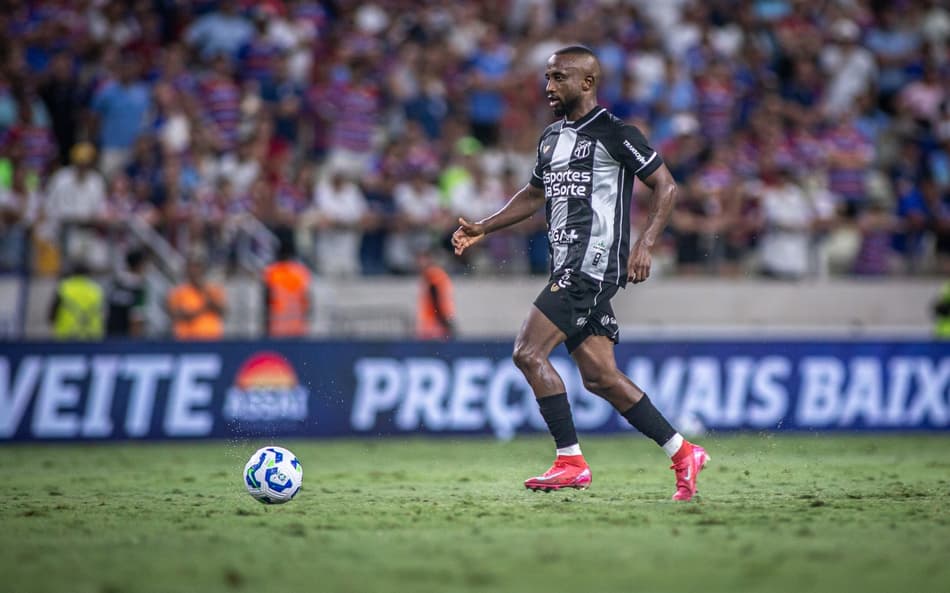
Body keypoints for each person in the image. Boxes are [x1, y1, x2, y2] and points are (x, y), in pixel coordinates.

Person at [452, 46, 709, 501]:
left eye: (559, 78)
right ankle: (682, 451)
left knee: (528, 352)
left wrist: (645, 244)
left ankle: (570, 460)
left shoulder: (616, 132)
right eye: (547, 78)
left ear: (587, 83)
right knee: (600, 377)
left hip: (591, 265)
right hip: (566, 263)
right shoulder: (551, 138)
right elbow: (534, 195)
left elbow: (666, 186)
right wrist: (484, 227)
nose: (549, 87)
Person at [166, 257, 226, 340]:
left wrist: (204, 292)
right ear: (186, 270)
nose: (194, 271)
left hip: (211, 338)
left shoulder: (213, 290)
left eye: (197, 267)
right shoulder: (178, 292)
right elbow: (174, 314)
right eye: (191, 267)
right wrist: (200, 309)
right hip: (186, 340)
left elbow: (222, 311)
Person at [262, 239, 311, 338]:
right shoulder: (300, 271)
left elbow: (266, 298)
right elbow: (306, 297)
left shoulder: (272, 271)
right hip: (298, 324)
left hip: (277, 324)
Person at [48, 261, 105, 341]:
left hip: (66, 335)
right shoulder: (96, 289)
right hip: (92, 336)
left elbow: (52, 313)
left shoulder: (64, 287)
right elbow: (102, 313)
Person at [106, 249, 149, 338]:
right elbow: (136, 318)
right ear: (139, 265)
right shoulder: (138, 287)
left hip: (110, 333)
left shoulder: (116, 282)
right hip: (126, 338)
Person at [415, 246, 456, 340]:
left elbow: (436, 299)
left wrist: (444, 322)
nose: (419, 262)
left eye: (422, 258)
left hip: (435, 326)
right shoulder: (435, 274)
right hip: (435, 325)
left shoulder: (432, 275)